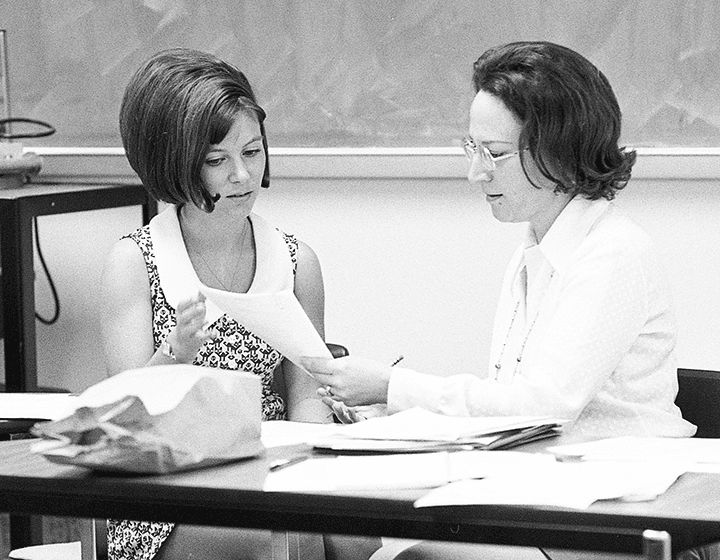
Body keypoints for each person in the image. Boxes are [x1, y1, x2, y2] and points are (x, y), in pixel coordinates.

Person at [304, 39, 698, 560]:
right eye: (472, 149)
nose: (476, 173)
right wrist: (386, 411)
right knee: (348, 541)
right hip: (547, 492)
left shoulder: (613, 254)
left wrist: (392, 384)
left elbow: (543, 410)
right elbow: (509, 410)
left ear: (559, 148)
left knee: (418, 558)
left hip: (621, 510)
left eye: (494, 154)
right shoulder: (534, 249)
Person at [99, 48, 380, 560]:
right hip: (171, 491)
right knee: (285, 539)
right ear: (172, 162)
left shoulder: (296, 260)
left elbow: (305, 392)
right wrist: (174, 354)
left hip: (274, 470)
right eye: (216, 161)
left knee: (354, 533)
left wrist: (305, 471)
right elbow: (125, 422)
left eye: (252, 153)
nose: (242, 177)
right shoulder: (135, 262)